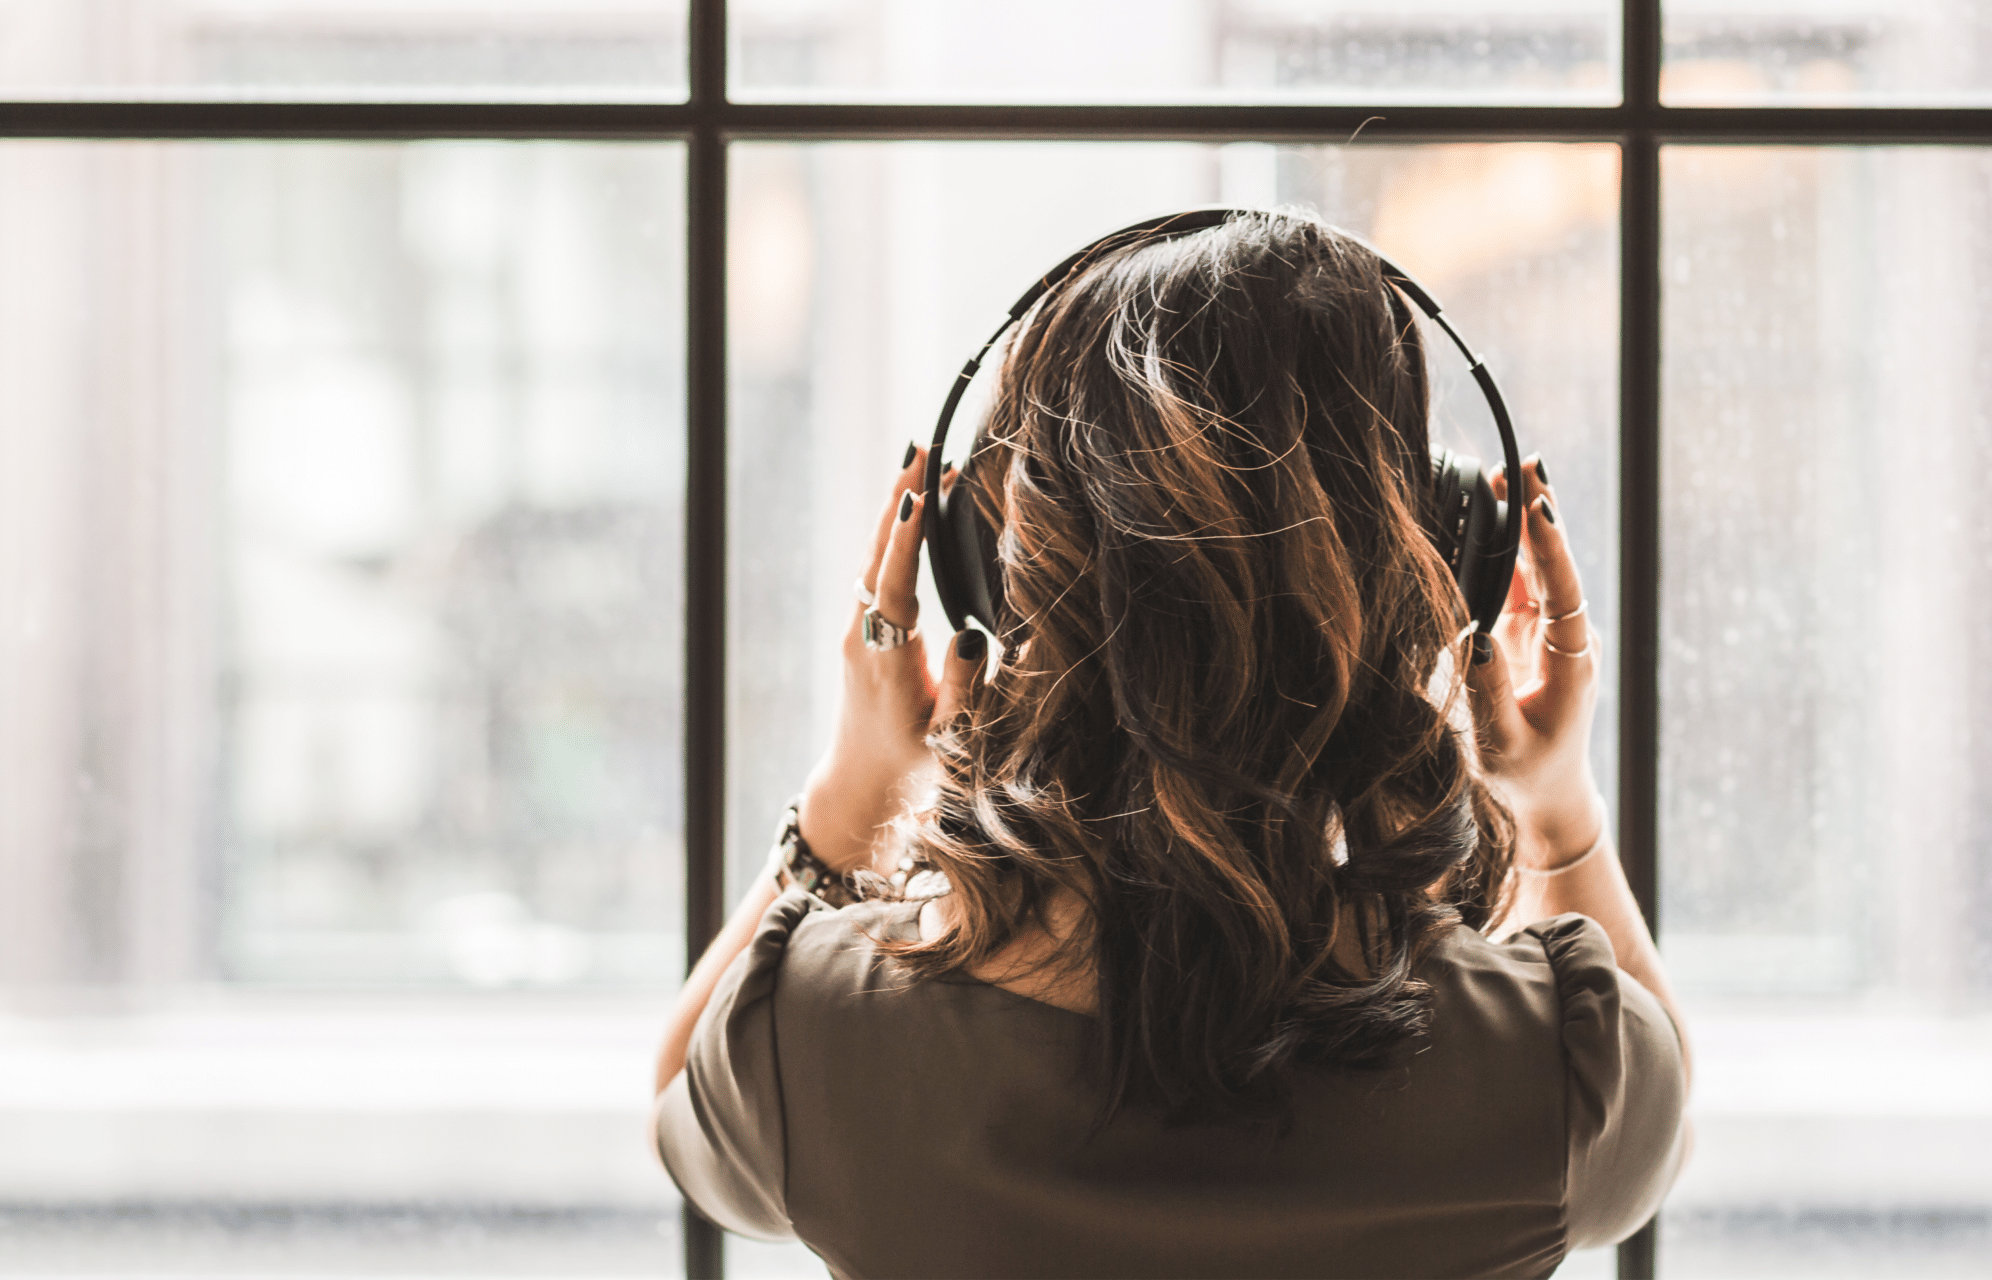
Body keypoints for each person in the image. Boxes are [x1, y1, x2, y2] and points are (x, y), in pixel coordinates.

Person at [652, 210, 1689, 1279]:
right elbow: (1657, 1124)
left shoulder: (816, 1039)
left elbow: (683, 1103)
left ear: (985, 572)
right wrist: (1557, 803)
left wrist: (855, 785)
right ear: (1442, 558)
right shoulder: (1553, 1068)